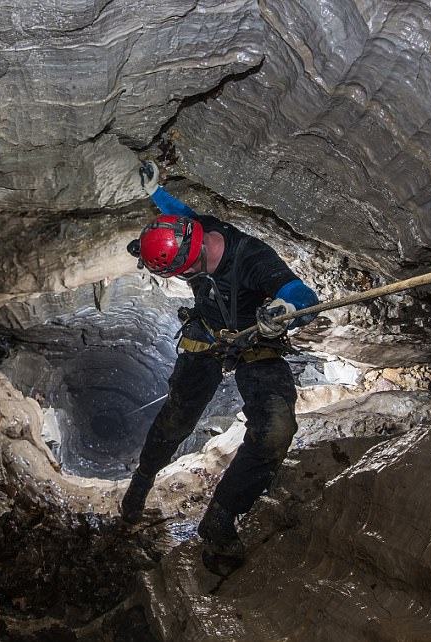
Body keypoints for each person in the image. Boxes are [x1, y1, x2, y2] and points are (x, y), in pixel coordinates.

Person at [121, 161, 320, 574]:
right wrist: (156, 192)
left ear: (191, 262)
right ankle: (142, 479)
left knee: (276, 429)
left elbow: (300, 292)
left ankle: (220, 519)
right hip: (209, 334)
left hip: (256, 340)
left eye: (182, 274)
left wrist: (288, 308)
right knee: (177, 418)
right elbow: (180, 216)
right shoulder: (195, 229)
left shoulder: (252, 259)